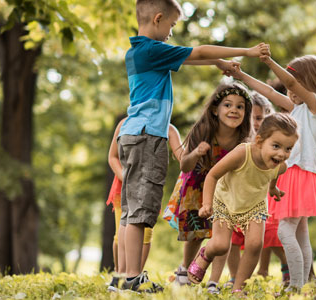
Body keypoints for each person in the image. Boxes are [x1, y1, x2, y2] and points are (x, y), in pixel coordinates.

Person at [117, 0, 268, 292]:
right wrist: (245, 52)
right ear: (158, 19)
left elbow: (191, 58)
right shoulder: (151, 49)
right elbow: (196, 52)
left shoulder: (138, 52)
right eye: (172, 26)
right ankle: (133, 278)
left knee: (130, 211)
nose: (172, 32)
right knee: (141, 212)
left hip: (133, 135)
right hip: (148, 136)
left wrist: (217, 63)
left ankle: (124, 275)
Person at [228, 53, 316, 290]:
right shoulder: (297, 108)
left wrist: (268, 61)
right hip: (294, 174)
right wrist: (240, 75)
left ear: (310, 82)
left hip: (299, 174)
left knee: (286, 231)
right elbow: (270, 93)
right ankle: (304, 284)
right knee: (300, 235)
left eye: (296, 84)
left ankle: (294, 286)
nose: (290, 92)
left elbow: (290, 84)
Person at [185, 113, 298, 292]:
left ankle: (238, 289)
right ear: (259, 141)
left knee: (255, 245)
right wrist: (207, 204)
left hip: (255, 206)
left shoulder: (280, 165)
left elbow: (274, 174)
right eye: (276, 146)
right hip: (226, 201)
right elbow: (213, 175)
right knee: (221, 245)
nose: (282, 154)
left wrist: (272, 189)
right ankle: (206, 253)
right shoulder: (242, 153)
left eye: (288, 148)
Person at [162, 82, 253, 294]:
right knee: (197, 232)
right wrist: (195, 153)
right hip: (197, 185)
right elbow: (185, 165)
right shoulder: (203, 130)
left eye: (240, 107)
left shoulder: (244, 138)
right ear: (215, 109)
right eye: (228, 105)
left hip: (225, 189)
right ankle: (184, 270)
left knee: (222, 235)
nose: (234, 110)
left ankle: (213, 281)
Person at [106, 118, 183, 292]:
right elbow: (112, 157)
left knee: (145, 233)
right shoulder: (124, 124)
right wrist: (127, 179)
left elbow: (182, 155)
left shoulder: (168, 128)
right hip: (123, 188)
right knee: (121, 234)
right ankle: (119, 276)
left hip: (147, 189)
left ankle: (135, 277)